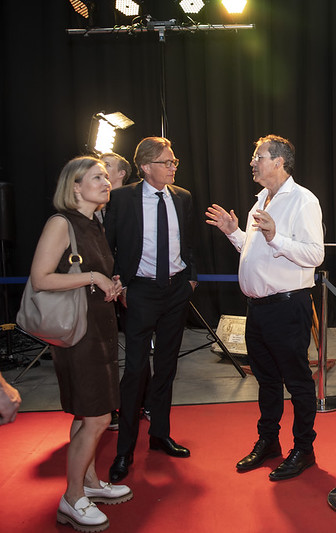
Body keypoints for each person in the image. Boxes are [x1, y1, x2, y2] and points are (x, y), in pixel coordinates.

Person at [206, 134, 324, 481]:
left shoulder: (303, 200)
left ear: (279, 162)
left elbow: (315, 255)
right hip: (258, 309)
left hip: (288, 308)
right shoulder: (261, 200)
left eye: (259, 156)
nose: (253, 162)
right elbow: (254, 250)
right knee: (267, 381)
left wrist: (276, 238)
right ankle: (269, 442)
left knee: (298, 383)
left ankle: (304, 449)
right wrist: (233, 232)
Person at [29, 156, 131, 532]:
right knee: (98, 415)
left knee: (87, 413)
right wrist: (93, 276)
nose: (106, 182)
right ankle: (72, 498)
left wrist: (109, 283)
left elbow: (87, 277)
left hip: (97, 327)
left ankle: (88, 482)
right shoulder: (62, 223)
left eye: (107, 177)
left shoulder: (93, 224)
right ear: (74, 186)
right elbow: (40, 279)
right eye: (97, 177)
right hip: (77, 334)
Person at [104, 137, 198, 483]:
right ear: (146, 167)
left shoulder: (183, 198)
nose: (174, 167)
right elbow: (108, 244)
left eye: (174, 162)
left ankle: (159, 434)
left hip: (176, 290)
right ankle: (124, 450)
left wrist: (191, 278)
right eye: (167, 162)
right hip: (139, 292)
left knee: (168, 367)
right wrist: (121, 283)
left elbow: (188, 243)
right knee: (136, 371)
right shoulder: (123, 198)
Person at [98, 152, 134, 431]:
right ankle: (107, 408)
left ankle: (136, 403)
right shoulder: (95, 207)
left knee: (137, 350)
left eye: (106, 168)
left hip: (130, 287)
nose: (101, 172)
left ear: (121, 174)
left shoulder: (134, 203)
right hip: (100, 288)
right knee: (105, 350)